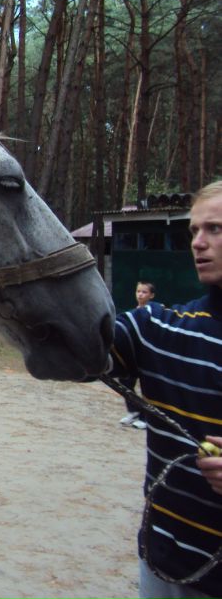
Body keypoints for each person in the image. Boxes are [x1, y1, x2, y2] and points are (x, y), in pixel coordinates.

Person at [109, 180, 222, 598]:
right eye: (194, 231)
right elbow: (79, 350)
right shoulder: (160, 326)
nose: (199, 242)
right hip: (166, 569)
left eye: (215, 229)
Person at [118, 281, 161, 430]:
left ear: (152, 295)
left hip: (148, 358)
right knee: (124, 383)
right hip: (133, 357)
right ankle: (134, 410)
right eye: (138, 291)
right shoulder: (132, 313)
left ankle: (146, 417)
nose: (140, 294)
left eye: (144, 292)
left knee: (147, 387)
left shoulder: (155, 312)